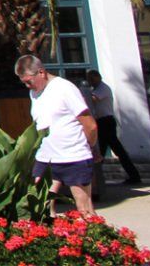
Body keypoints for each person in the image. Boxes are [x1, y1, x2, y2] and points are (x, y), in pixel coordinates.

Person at [17, 54, 97, 214]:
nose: (27, 86)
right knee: (42, 210)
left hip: (74, 156)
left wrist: (89, 146)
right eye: (24, 83)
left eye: (28, 81)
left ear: (41, 72)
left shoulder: (65, 89)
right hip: (45, 158)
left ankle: (98, 237)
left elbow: (90, 125)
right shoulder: (34, 92)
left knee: (85, 211)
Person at [81, 68, 145, 186]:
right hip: (101, 121)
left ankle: (132, 175)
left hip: (106, 121)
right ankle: (97, 176)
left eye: (90, 79)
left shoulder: (103, 88)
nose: (89, 82)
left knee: (110, 149)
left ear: (96, 78)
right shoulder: (95, 89)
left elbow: (93, 99)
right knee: (104, 149)